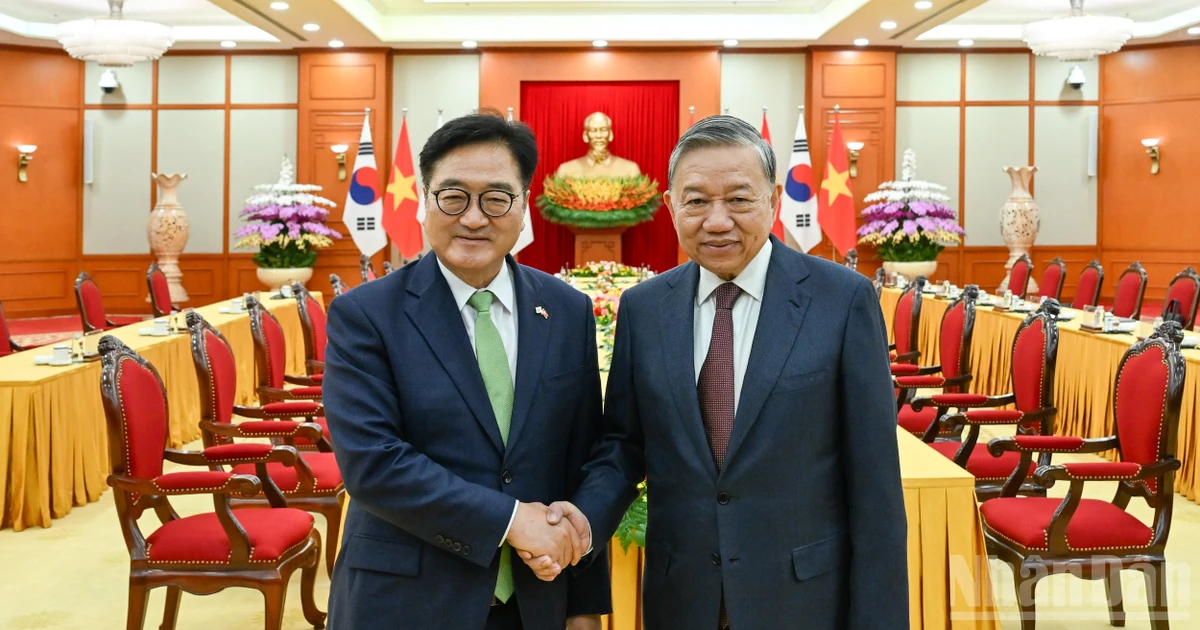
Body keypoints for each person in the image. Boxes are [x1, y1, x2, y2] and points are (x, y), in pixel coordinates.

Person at [534, 115, 908, 628]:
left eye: (738, 199)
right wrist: (585, 517)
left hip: (804, 598)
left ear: (774, 199)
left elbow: (876, 485)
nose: (716, 221)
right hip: (682, 595)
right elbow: (623, 445)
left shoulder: (841, 300)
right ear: (669, 207)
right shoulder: (644, 309)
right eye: (696, 201)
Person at [323, 110, 608, 630]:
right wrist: (509, 521)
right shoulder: (365, 316)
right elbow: (374, 465)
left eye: (497, 198)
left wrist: (584, 604)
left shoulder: (567, 311)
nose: (474, 218)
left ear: (523, 209)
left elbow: (582, 459)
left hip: (536, 600)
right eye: (453, 197)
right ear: (424, 203)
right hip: (405, 601)